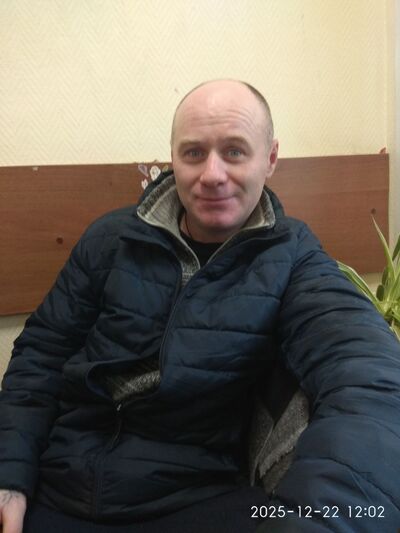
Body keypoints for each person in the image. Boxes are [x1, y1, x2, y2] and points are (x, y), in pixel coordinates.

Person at [0, 79, 399, 533]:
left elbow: (367, 374)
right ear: (173, 159)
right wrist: (9, 476)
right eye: (193, 153)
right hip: (60, 486)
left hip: (200, 497)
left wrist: (321, 519)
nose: (212, 174)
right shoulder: (110, 239)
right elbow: (41, 356)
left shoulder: (293, 257)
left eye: (234, 151)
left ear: (270, 159)